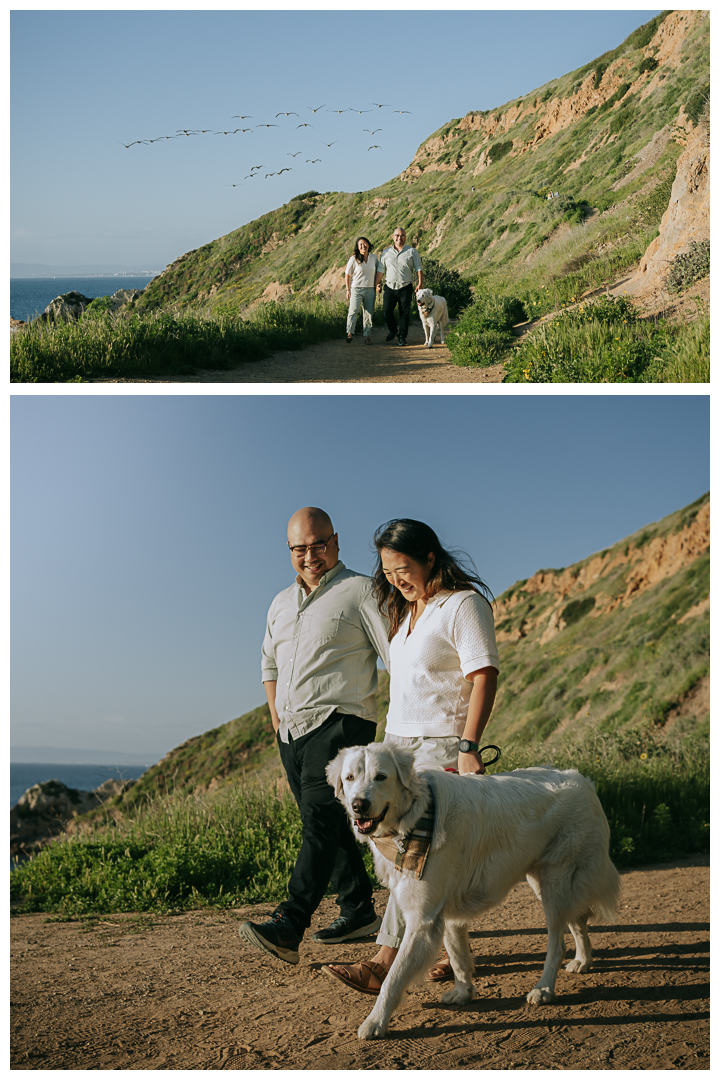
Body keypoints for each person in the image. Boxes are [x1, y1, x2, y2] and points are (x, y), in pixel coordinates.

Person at [322, 518, 499, 995]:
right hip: (397, 750)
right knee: (402, 859)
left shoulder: (463, 606)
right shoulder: (406, 615)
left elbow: (483, 675)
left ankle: (383, 962)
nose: (395, 579)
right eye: (387, 571)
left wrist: (468, 747)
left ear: (430, 559)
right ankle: (438, 947)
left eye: (403, 568)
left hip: (440, 748)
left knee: (413, 861)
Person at [239, 506, 391, 966]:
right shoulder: (280, 602)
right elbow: (268, 662)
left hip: (342, 721)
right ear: (290, 551)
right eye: (300, 548)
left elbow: (394, 652)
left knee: (319, 824)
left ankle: (290, 923)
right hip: (292, 733)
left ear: (337, 542)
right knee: (328, 821)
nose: (311, 555)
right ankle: (359, 909)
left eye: (319, 544)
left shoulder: (361, 590)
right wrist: (275, 717)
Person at [379, 226, 423, 346]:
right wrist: (378, 283)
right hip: (389, 287)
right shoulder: (386, 252)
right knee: (387, 311)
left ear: (405, 237)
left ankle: (402, 337)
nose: (400, 238)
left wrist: (420, 283)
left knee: (404, 313)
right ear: (393, 237)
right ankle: (393, 330)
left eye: (402, 235)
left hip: (405, 287)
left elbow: (418, 268)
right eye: (397, 235)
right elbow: (381, 269)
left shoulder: (412, 251)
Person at [345, 237, 383, 345]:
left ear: (368, 244)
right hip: (356, 289)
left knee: (368, 313)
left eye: (365, 243)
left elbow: (378, 274)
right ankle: (349, 333)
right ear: (357, 247)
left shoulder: (374, 258)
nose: (363, 246)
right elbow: (347, 274)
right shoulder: (353, 259)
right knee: (353, 311)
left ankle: (367, 336)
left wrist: (378, 284)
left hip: (370, 289)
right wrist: (348, 289)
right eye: (360, 244)